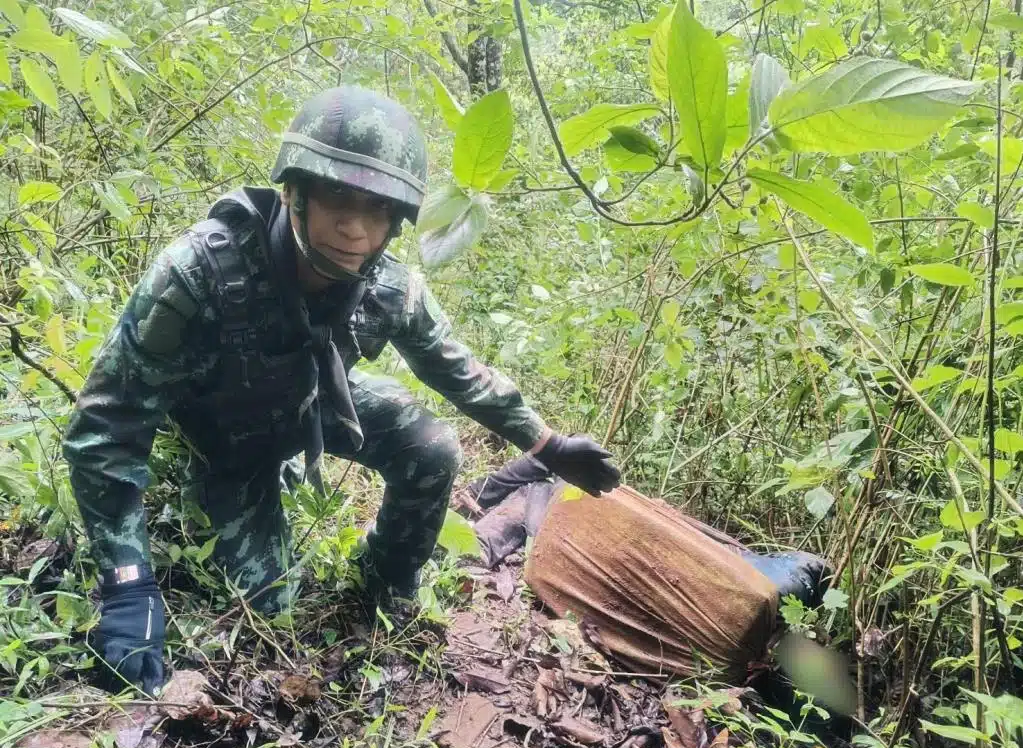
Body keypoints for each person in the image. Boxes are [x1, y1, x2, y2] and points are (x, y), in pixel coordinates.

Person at [62, 85, 621, 695]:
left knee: (432, 447)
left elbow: (456, 369)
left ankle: (388, 580)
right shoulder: (199, 273)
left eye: (377, 208)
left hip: (317, 402)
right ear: (293, 191)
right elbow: (107, 429)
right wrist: (127, 582)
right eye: (336, 197)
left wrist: (548, 445)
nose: (354, 228)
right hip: (227, 440)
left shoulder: (386, 285)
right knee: (269, 610)